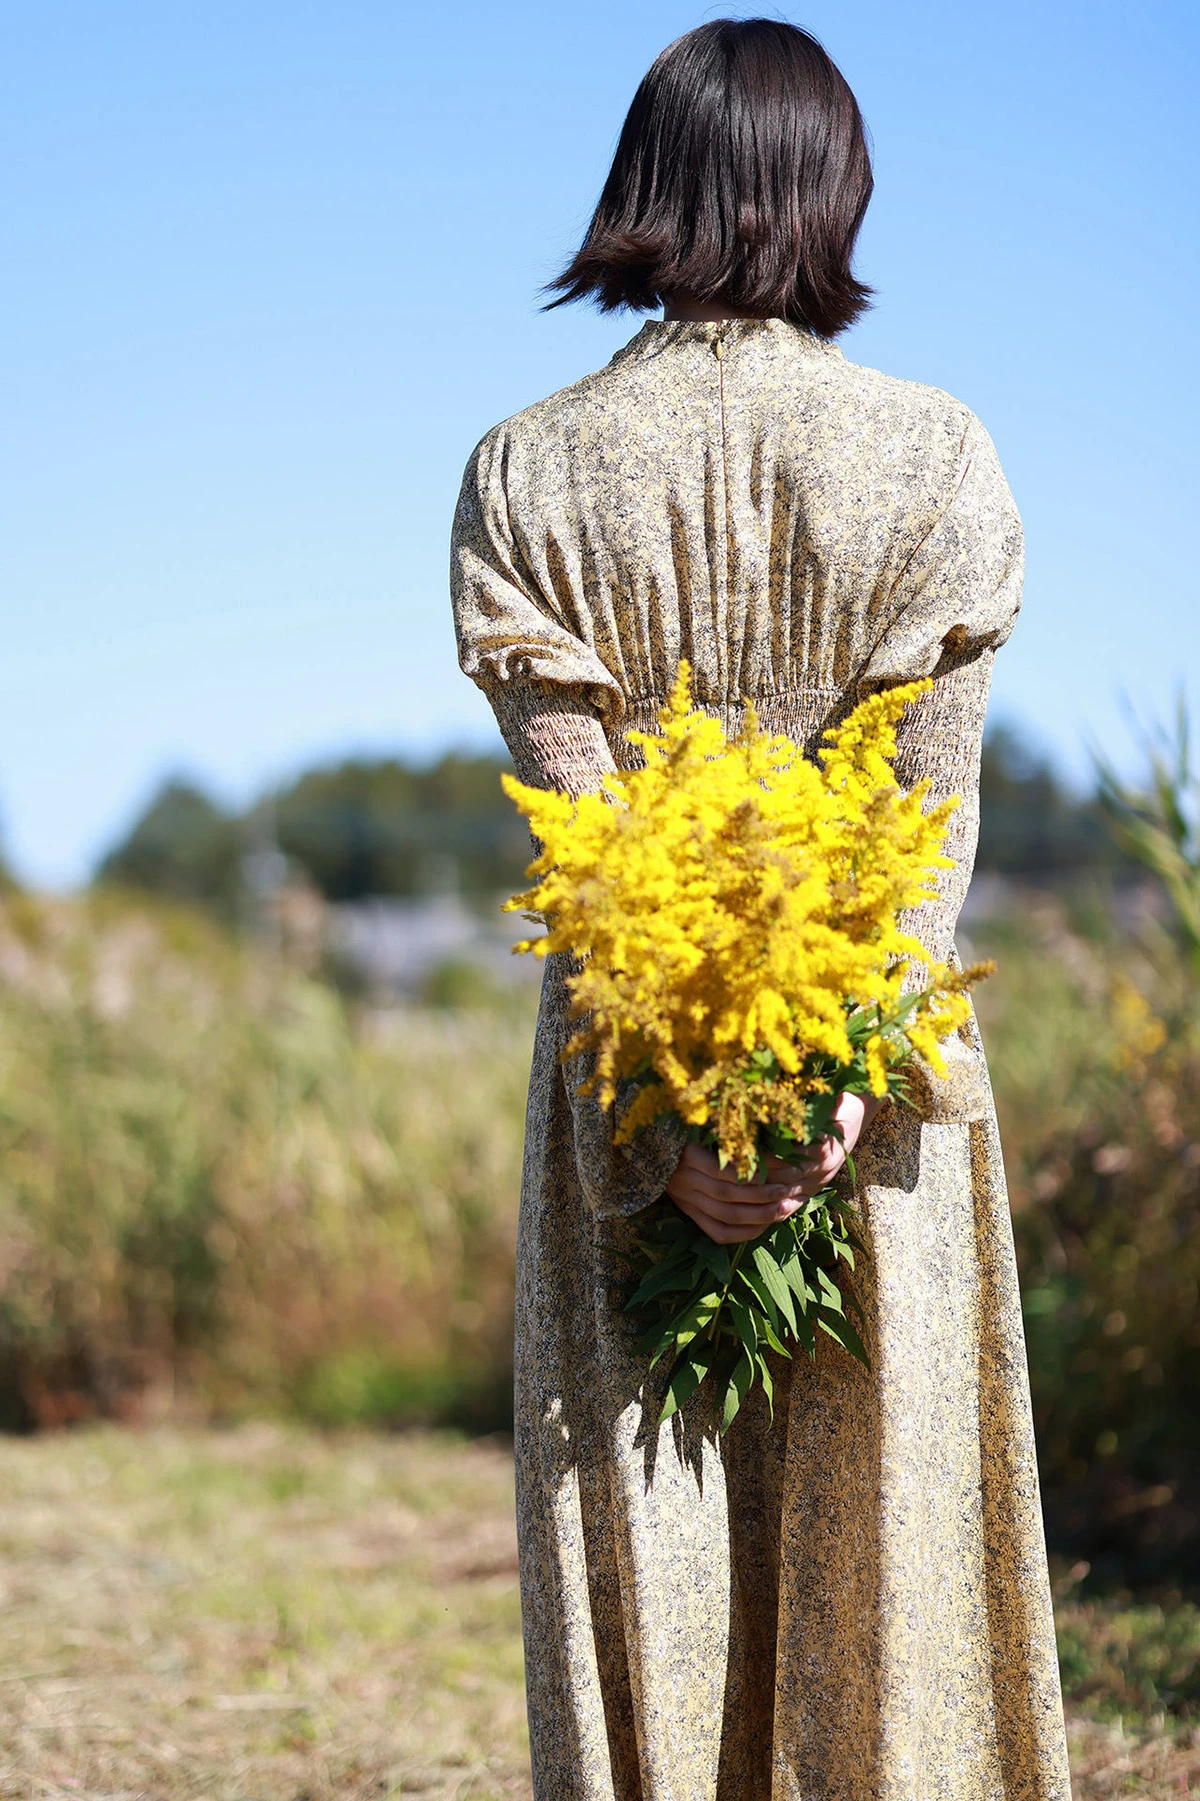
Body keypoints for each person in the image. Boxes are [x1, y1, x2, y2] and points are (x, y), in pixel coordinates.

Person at [451, 19, 1071, 1799]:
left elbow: (587, 845)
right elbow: (919, 821)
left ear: (643, 185)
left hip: (627, 1100)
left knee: (644, 1555)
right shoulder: (938, 455)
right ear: (833, 190)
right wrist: (831, 1093)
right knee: (893, 1586)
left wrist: (681, 1122)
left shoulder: (524, 473)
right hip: (877, 1089)